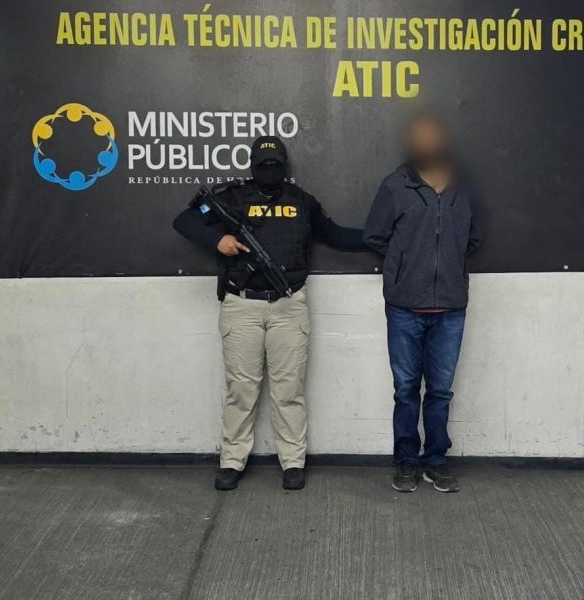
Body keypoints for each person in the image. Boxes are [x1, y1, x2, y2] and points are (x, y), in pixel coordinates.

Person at [173, 136, 365, 491]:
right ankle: (232, 461)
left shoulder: (301, 201)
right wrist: (218, 241)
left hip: (288, 306)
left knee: (289, 389)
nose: (269, 171)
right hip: (242, 305)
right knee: (240, 390)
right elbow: (185, 221)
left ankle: (292, 462)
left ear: (284, 166)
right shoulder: (231, 198)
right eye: (263, 165)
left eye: (275, 165)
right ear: (252, 166)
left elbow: (337, 235)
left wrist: (381, 236)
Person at [363, 113, 482, 493]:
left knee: (441, 391)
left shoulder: (465, 187)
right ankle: (405, 462)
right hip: (404, 307)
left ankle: (436, 462)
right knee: (405, 390)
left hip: (450, 308)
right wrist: (406, 264)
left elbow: (474, 239)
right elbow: (375, 235)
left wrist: (446, 264)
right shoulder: (395, 186)